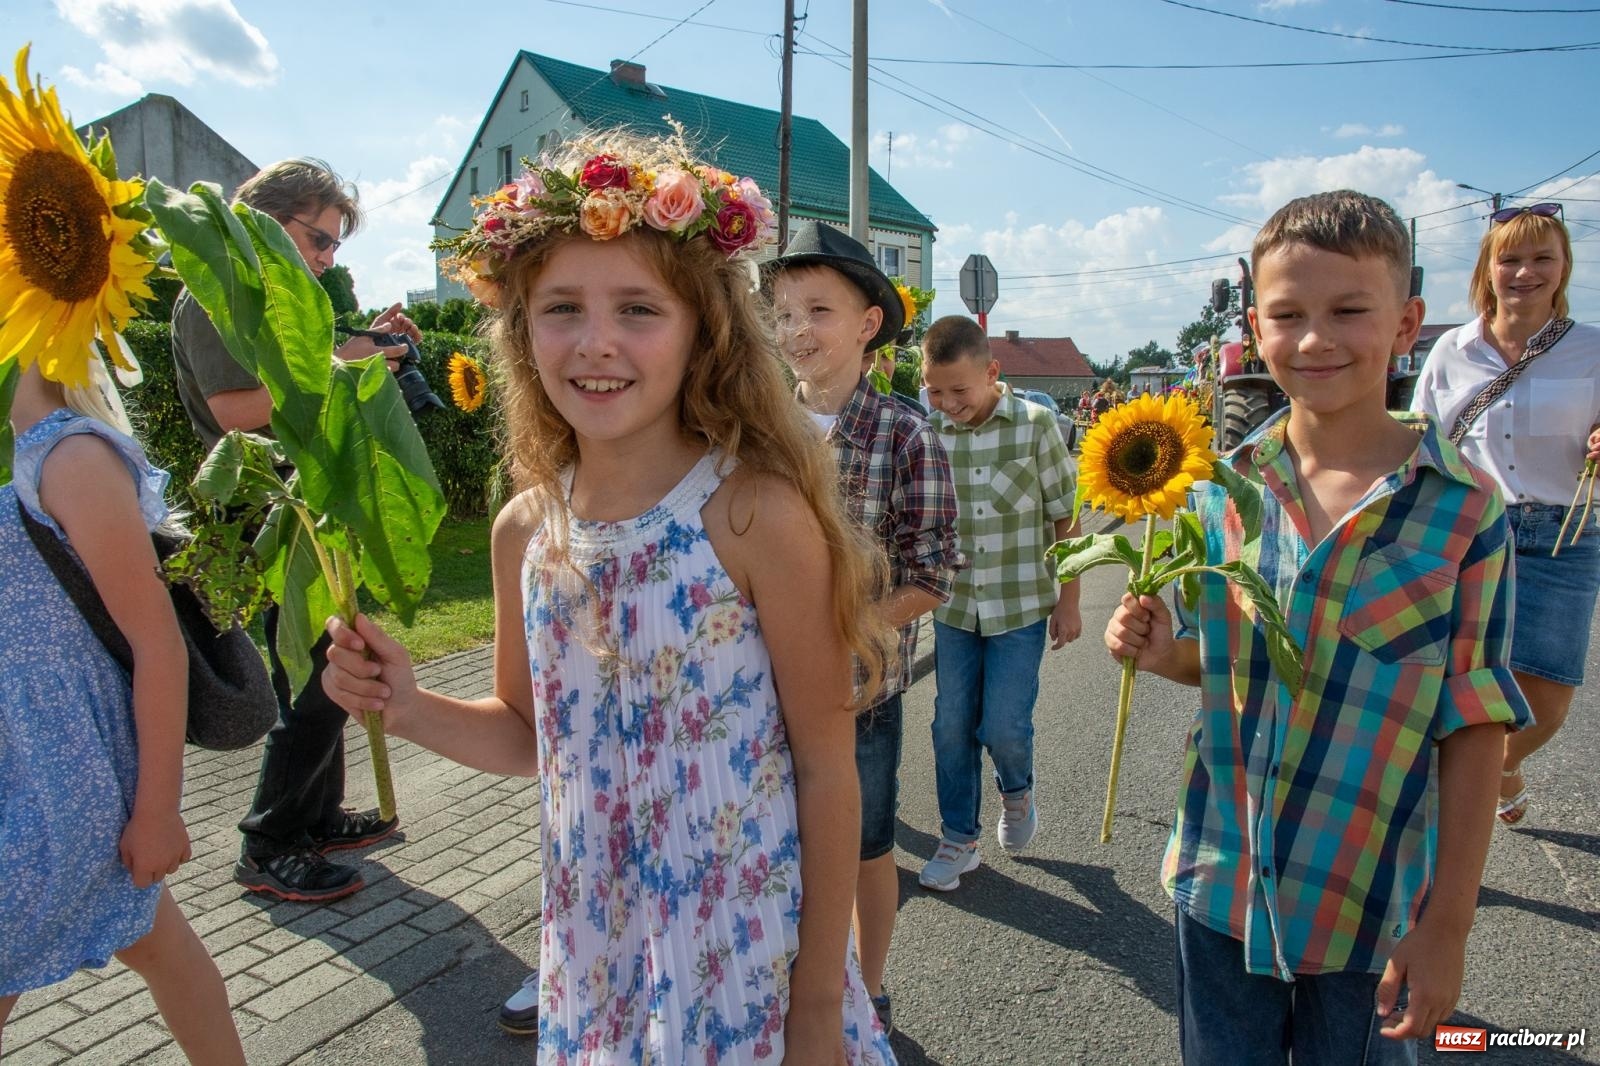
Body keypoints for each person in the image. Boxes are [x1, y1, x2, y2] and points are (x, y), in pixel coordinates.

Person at [318, 129, 897, 1063]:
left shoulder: (754, 516)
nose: (596, 343)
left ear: (704, 328)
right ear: (519, 331)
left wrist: (820, 1006)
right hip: (595, 962)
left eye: (638, 308)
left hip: (746, 963)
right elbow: (527, 735)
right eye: (560, 309)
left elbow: (832, 773)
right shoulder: (525, 532)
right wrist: (410, 704)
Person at [1105, 190, 1531, 1064]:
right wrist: (1163, 652)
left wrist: (1447, 924)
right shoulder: (1221, 489)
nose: (1314, 339)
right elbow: (1225, 665)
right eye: (1287, 314)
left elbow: (1476, 720)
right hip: (1219, 885)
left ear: (1407, 322)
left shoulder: (1465, 513)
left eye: (1348, 311)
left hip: (1369, 906)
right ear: (1254, 328)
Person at [169, 158, 414, 901]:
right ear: (264, 220)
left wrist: (361, 344)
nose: (325, 258)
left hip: (305, 500)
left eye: (334, 245)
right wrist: (349, 360)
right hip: (264, 506)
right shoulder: (211, 293)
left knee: (324, 666)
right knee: (310, 678)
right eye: (318, 239)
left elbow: (302, 377)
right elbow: (236, 412)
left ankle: (317, 815)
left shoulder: (272, 296)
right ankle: (269, 841)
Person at [1, 360, 245, 1064]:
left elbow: (156, 644)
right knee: (160, 944)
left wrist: (159, 809)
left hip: (58, 782)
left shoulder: (70, 454)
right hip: (35, 770)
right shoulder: (33, 450)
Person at [769, 220, 961, 1034]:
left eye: (817, 310)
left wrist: (850, 631)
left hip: (860, 686)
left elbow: (933, 569)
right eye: (782, 314)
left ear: (867, 324)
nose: (796, 331)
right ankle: (793, 977)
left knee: (866, 845)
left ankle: (870, 988)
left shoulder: (906, 433)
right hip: (764, 680)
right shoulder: (758, 425)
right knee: (782, 843)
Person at [1409, 200, 1600, 825]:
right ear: (1486, 270)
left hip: (1564, 535)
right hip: (1470, 533)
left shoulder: (1592, 350)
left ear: (1565, 264)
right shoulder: (1450, 353)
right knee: (1452, 686)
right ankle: (1443, 819)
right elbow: (1419, 443)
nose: (1526, 272)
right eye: (1509, 259)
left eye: (1542, 257)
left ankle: (1499, 765)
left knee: (1545, 701)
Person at [917, 315, 1082, 892]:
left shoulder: (1037, 428)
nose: (947, 403)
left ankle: (1016, 793)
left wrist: (1070, 600)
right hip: (956, 609)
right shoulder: (931, 434)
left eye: (958, 390)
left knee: (1005, 724)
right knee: (950, 725)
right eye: (935, 391)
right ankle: (959, 838)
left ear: (991, 372)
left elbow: (1067, 520)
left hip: (1021, 608)